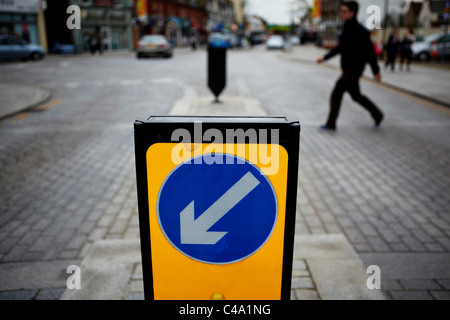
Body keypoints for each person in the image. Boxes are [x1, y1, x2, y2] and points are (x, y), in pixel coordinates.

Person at [316, 1, 384, 131]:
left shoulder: (361, 31)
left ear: (352, 13)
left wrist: (376, 71)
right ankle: (378, 115)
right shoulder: (345, 28)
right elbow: (340, 48)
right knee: (356, 96)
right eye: (341, 11)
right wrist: (324, 57)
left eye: (344, 11)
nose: (341, 14)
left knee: (337, 92)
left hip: (354, 70)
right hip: (347, 69)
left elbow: (370, 53)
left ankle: (331, 124)